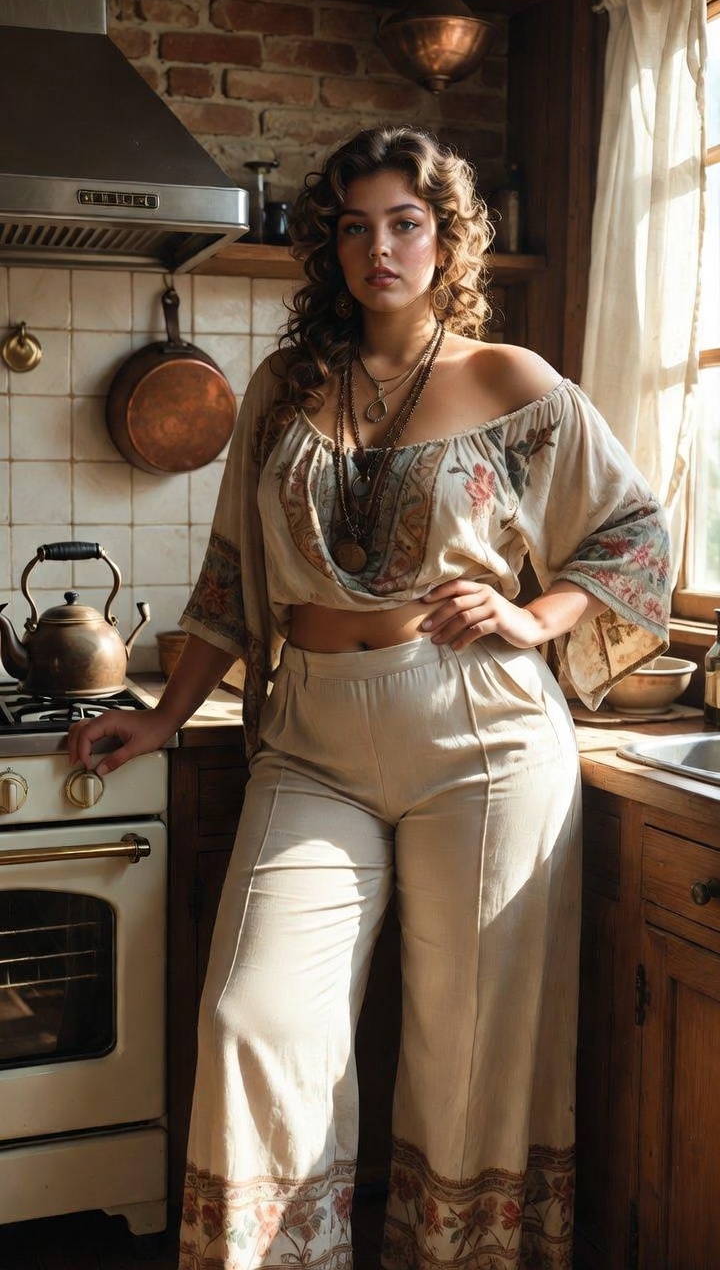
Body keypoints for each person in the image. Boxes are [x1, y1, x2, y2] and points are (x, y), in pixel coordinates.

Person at [68, 125, 670, 1270]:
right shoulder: (287, 387)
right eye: (355, 225)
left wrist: (536, 616)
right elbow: (231, 575)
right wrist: (160, 712)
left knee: (471, 1053)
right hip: (315, 742)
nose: (378, 247)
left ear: (447, 239)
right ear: (329, 244)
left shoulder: (513, 380)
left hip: (483, 738)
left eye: (404, 222)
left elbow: (635, 529)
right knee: (254, 1018)